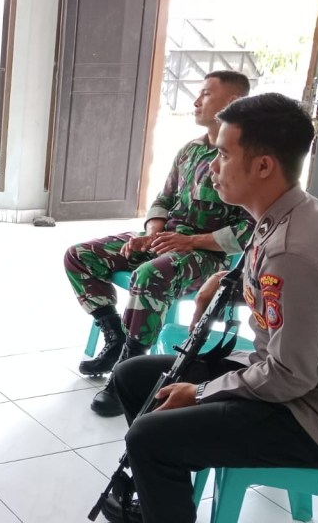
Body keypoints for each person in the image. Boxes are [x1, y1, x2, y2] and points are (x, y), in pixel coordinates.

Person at [102, 93, 318, 523]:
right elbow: (283, 301)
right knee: (134, 376)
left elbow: (291, 376)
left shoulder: (295, 250)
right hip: (284, 381)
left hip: (314, 417)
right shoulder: (286, 212)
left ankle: (162, 487)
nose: (212, 168)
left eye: (224, 155)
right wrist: (229, 281)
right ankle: (160, 500)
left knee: (150, 438)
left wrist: (199, 393)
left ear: (263, 166)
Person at [64, 70, 255, 417]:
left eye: (206, 94)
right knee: (79, 256)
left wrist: (190, 241)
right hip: (166, 240)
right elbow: (164, 199)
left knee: (150, 275)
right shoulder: (191, 150)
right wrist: (152, 232)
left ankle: (127, 370)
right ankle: (115, 336)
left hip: (207, 255)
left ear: (232, 102)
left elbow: (248, 229)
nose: (196, 101)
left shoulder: (245, 159)